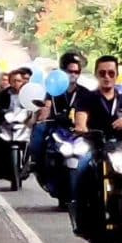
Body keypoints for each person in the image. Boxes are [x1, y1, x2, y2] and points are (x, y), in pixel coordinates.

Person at [72, 55, 122, 231]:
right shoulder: (87, 98)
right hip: (96, 149)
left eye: (110, 73)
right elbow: (80, 122)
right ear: (96, 75)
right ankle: (81, 214)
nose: (106, 77)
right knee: (81, 170)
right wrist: (83, 129)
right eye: (102, 73)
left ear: (116, 75)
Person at [28, 52, 83, 183]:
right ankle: (35, 163)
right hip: (56, 126)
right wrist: (42, 116)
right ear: (63, 71)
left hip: (77, 130)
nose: (74, 74)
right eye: (70, 71)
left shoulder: (84, 92)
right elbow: (47, 106)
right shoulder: (53, 90)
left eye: (77, 72)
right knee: (39, 130)